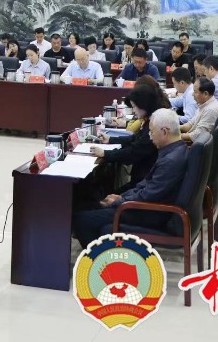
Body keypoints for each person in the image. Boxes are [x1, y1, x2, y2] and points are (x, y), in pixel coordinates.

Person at [72, 109, 189, 248]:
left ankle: (99, 258)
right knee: (92, 207)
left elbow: (148, 195)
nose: (150, 137)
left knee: (81, 219)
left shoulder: (170, 160)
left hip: (151, 213)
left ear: (164, 131)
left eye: (151, 132)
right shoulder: (177, 150)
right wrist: (122, 197)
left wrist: (120, 201)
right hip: (149, 206)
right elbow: (146, 186)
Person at [92, 81, 164, 186]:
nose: (133, 110)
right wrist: (110, 139)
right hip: (142, 178)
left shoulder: (154, 125)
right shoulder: (150, 120)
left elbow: (134, 152)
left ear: (144, 105)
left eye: (134, 107)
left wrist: (105, 153)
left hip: (143, 183)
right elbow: (136, 138)